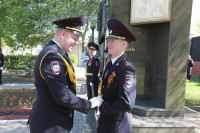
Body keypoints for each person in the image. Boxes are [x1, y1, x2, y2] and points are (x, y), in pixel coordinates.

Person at [29, 15, 104, 133]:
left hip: (55, 121)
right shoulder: (52, 56)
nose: (76, 42)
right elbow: (62, 95)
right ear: (63, 34)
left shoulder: (59, 53)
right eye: (74, 38)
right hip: (50, 124)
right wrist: (88, 104)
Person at [98, 18, 137, 133]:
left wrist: (103, 107)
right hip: (107, 122)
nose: (109, 43)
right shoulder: (110, 62)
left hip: (117, 126)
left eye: (113, 40)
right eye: (109, 40)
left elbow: (126, 102)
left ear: (124, 44)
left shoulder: (126, 68)